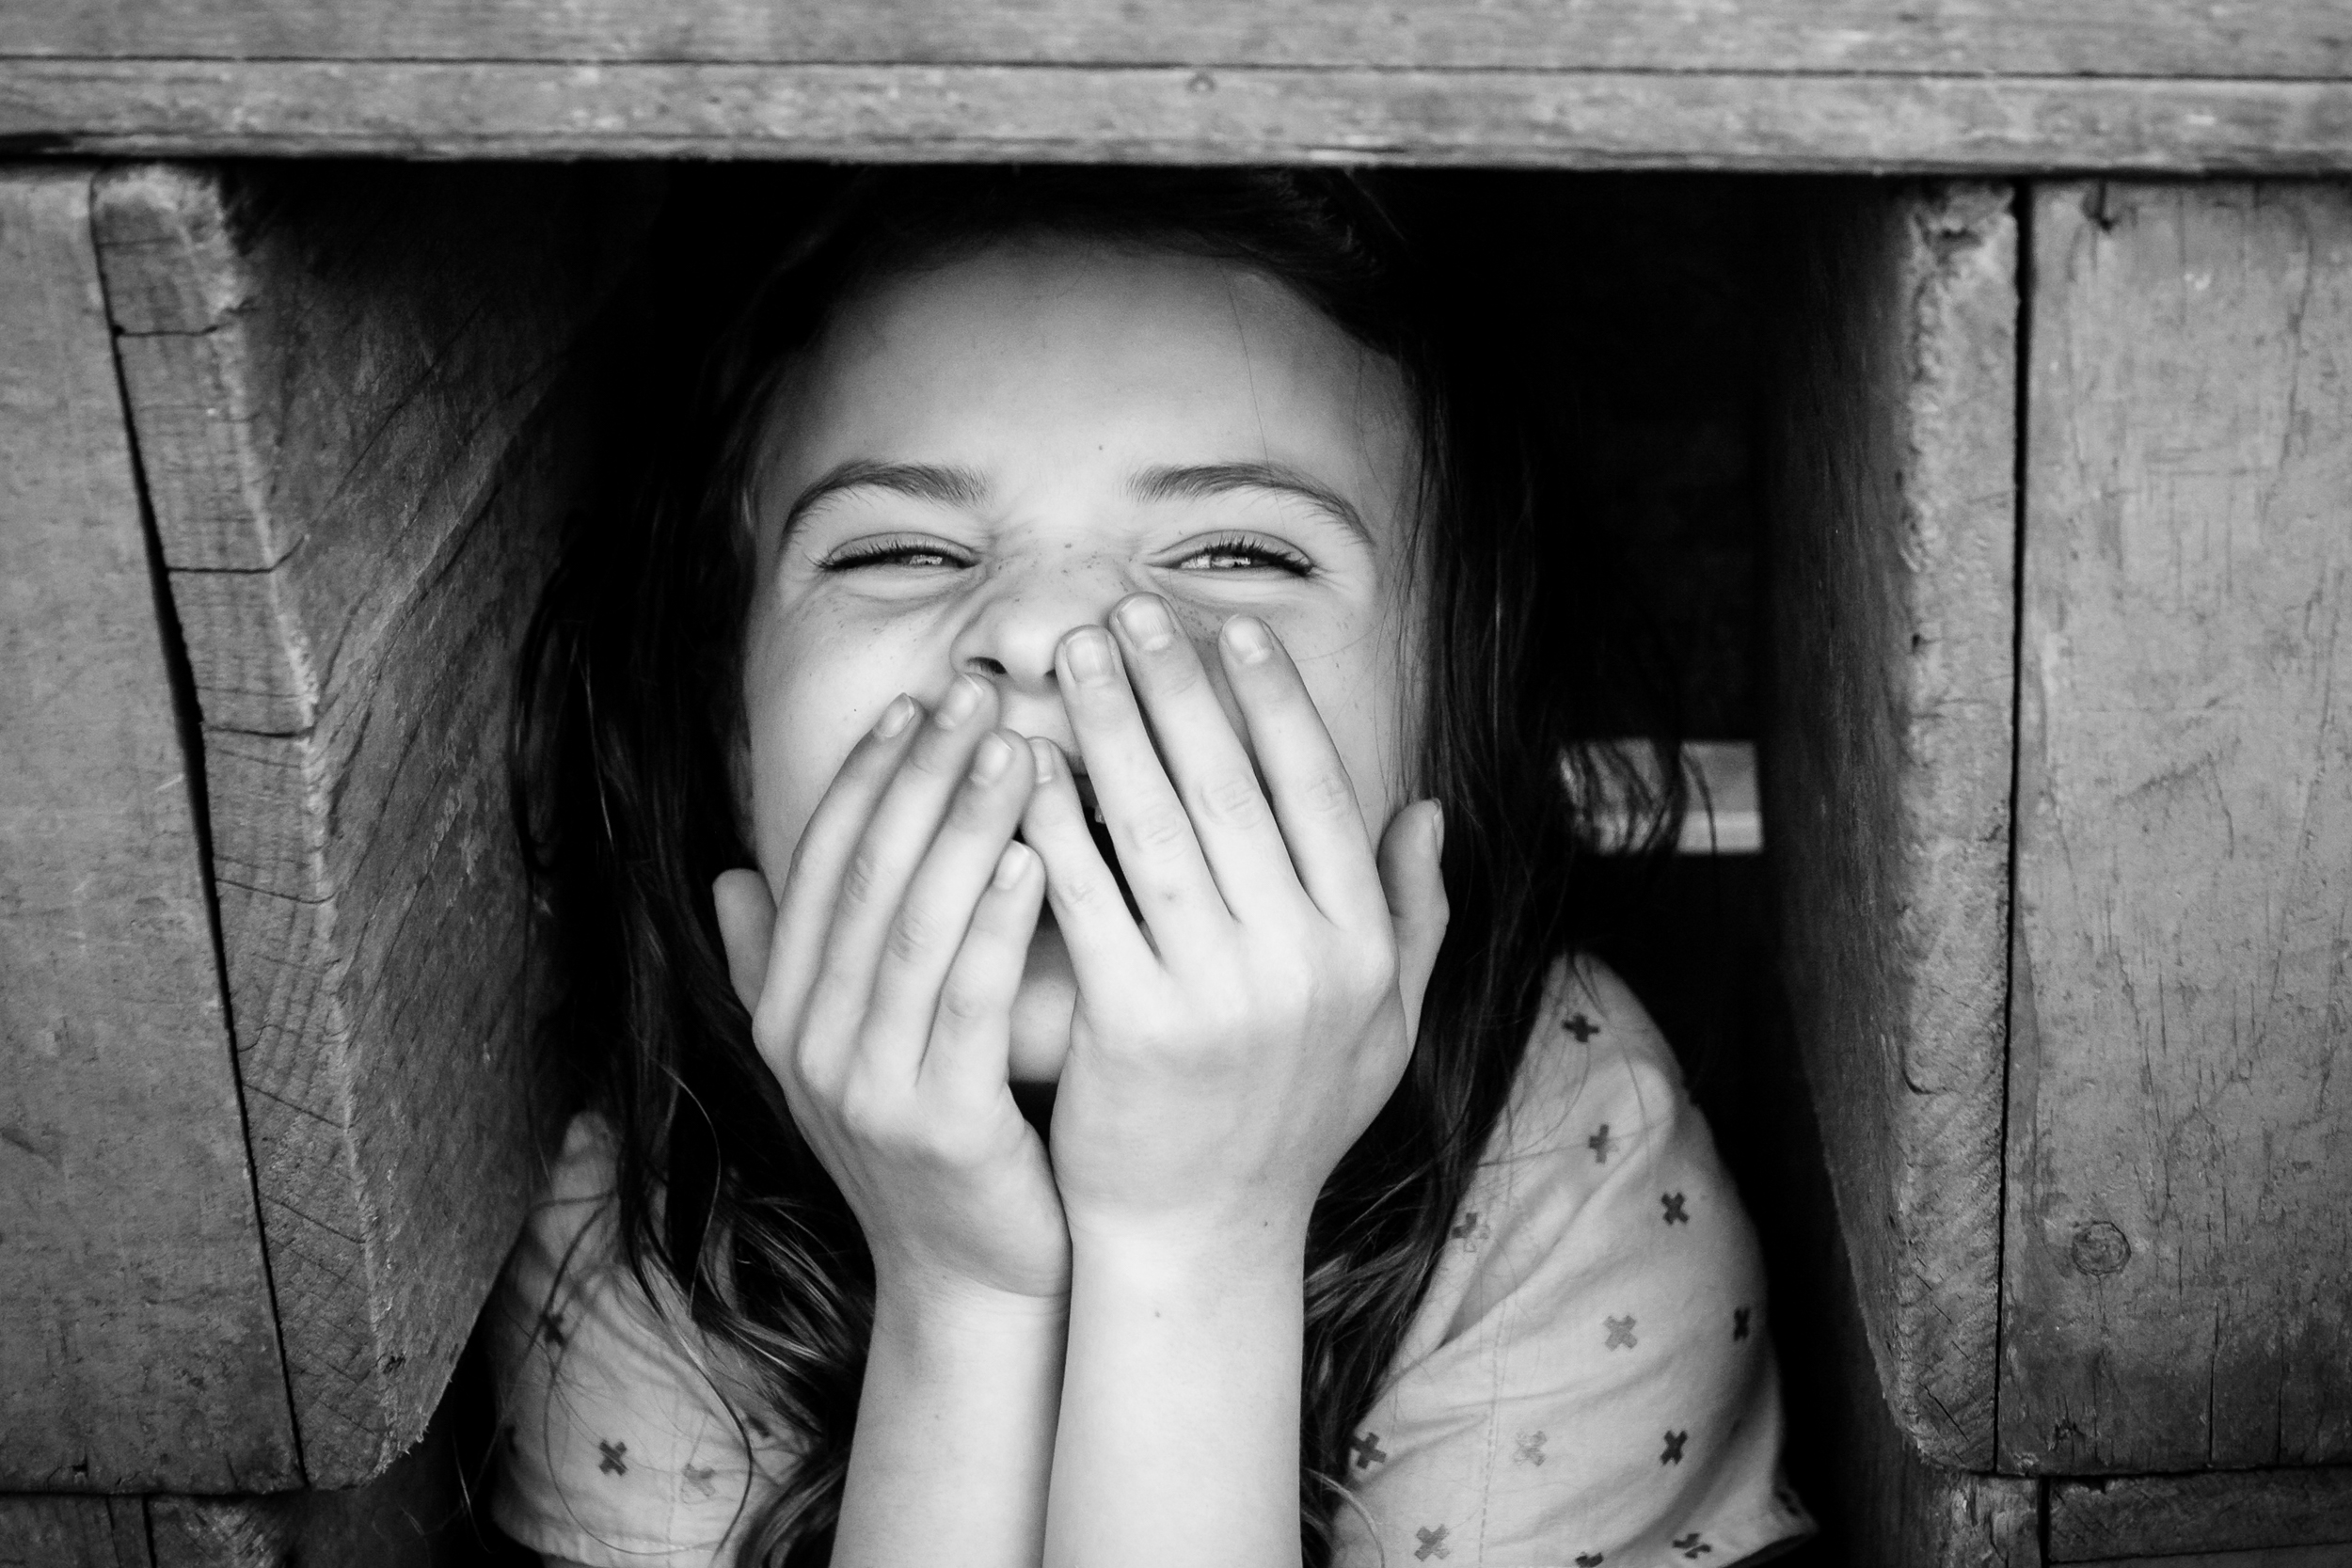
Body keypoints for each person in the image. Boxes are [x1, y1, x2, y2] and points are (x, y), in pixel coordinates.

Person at [489, 166, 1818, 1568]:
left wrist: (1199, 1246)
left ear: (1450, 722)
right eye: (898, 547)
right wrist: (962, 1299)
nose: (1052, 631)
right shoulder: (647, 1199)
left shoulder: (1565, 1162)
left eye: (1240, 550)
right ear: (733, 730)